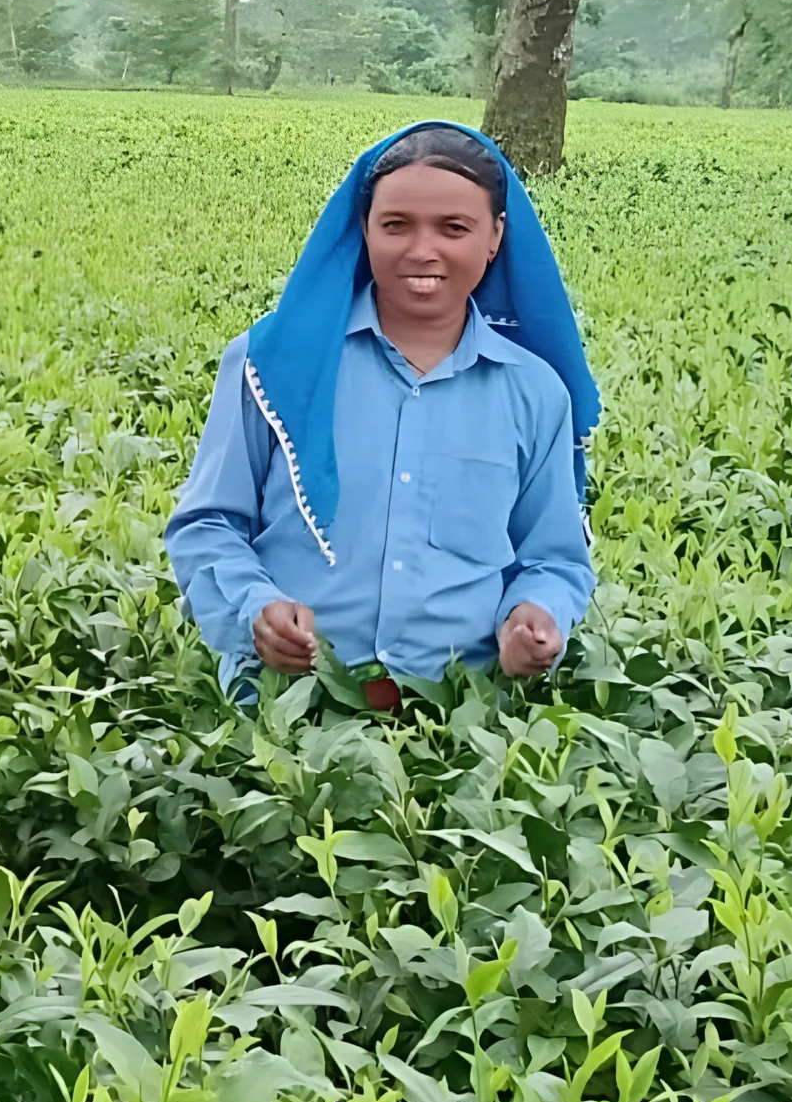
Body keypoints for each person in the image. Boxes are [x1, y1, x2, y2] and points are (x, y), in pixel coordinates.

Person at [166, 122, 600, 699]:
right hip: (283, 708)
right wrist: (256, 609)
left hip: (462, 721)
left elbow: (553, 557)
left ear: (495, 237)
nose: (423, 250)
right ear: (364, 230)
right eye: (396, 225)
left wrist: (537, 616)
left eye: (454, 228)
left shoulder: (536, 392)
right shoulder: (273, 364)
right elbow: (207, 525)